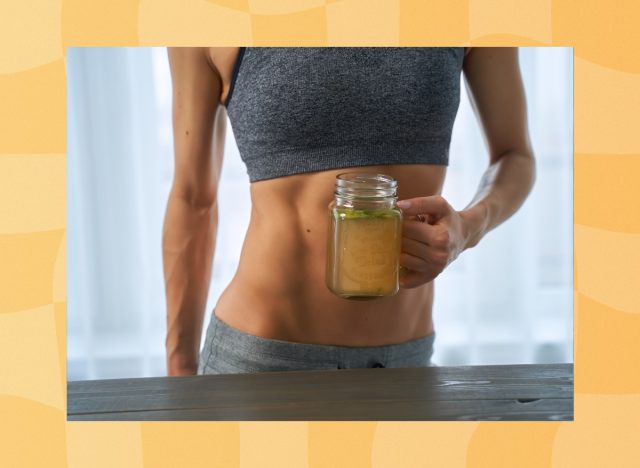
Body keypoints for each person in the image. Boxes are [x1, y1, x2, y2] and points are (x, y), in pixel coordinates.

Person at [163, 47, 535, 376]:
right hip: (261, 362)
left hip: (404, 367)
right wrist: (179, 370)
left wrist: (466, 230)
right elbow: (193, 198)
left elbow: (514, 156)